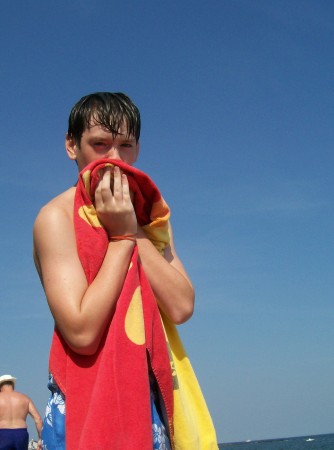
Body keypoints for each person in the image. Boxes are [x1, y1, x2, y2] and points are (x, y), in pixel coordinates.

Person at [33, 92, 217, 450]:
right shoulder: (55, 218)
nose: (114, 158)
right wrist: (120, 238)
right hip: (87, 398)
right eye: (99, 144)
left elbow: (181, 306)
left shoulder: (151, 215)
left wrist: (132, 230)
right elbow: (82, 332)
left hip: (149, 391)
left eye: (126, 145)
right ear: (72, 146)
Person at [0, 374, 42, 450]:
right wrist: (40, 438)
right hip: (21, 434)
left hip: (2, 434)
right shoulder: (25, 398)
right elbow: (38, 419)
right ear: (13, 385)